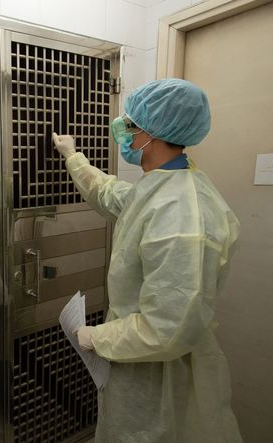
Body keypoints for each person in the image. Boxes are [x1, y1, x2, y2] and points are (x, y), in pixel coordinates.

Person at [53, 79, 242, 442]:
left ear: (150, 134)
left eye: (130, 124)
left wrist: (95, 336)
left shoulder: (183, 215)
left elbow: (168, 329)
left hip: (163, 380)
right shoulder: (160, 185)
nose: (123, 130)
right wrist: (72, 156)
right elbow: (109, 193)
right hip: (136, 364)